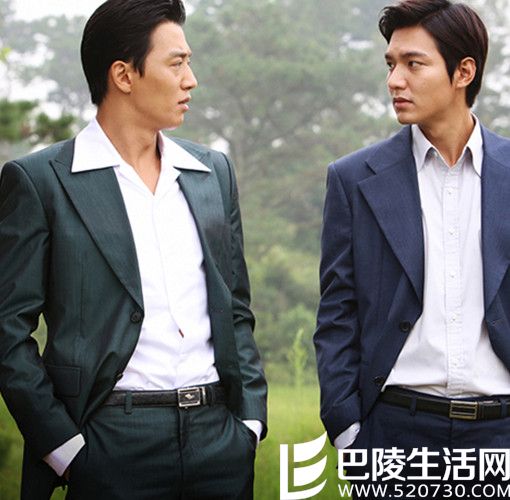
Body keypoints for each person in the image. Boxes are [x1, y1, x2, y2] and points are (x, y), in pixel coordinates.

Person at [0, 0, 267, 498]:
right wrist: (63, 449)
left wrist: (249, 423)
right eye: (176, 63)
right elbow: (7, 329)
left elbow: (235, 307)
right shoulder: (42, 182)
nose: (191, 80)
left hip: (219, 439)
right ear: (123, 75)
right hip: (110, 440)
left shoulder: (212, 173)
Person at [315, 0, 510, 496]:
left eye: (413, 64)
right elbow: (337, 314)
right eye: (390, 64)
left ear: (463, 71)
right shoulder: (353, 179)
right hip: (393, 436)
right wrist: (347, 431)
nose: (394, 81)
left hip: (501, 436)